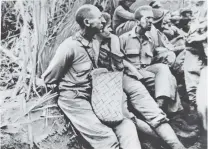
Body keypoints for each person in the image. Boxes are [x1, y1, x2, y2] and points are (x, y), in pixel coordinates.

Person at [42, 5, 140, 149]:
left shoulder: (95, 42)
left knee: (127, 127)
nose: (103, 20)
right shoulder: (69, 47)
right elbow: (49, 78)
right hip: (74, 100)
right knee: (107, 139)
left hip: (94, 96)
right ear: (87, 23)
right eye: (99, 17)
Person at [96, 12, 186, 149]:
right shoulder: (86, 45)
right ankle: (159, 141)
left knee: (154, 112)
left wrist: (134, 72)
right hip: (105, 87)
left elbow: (121, 63)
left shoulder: (114, 39)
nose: (110, 29)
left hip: (125, 78)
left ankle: (176, 144)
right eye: (107, 27)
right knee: (127, 118)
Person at [120, 6, 183, 114]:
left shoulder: (150, 40)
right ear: (137, 21)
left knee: (166, 73)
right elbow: (118, 60)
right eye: (147, 18)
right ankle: (168, 112)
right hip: (131, 73)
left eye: (152, 18)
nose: (151, 21)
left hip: (147, 70)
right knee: (170, 80)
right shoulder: (124, 38)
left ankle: (162, 105)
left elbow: (153, 58)